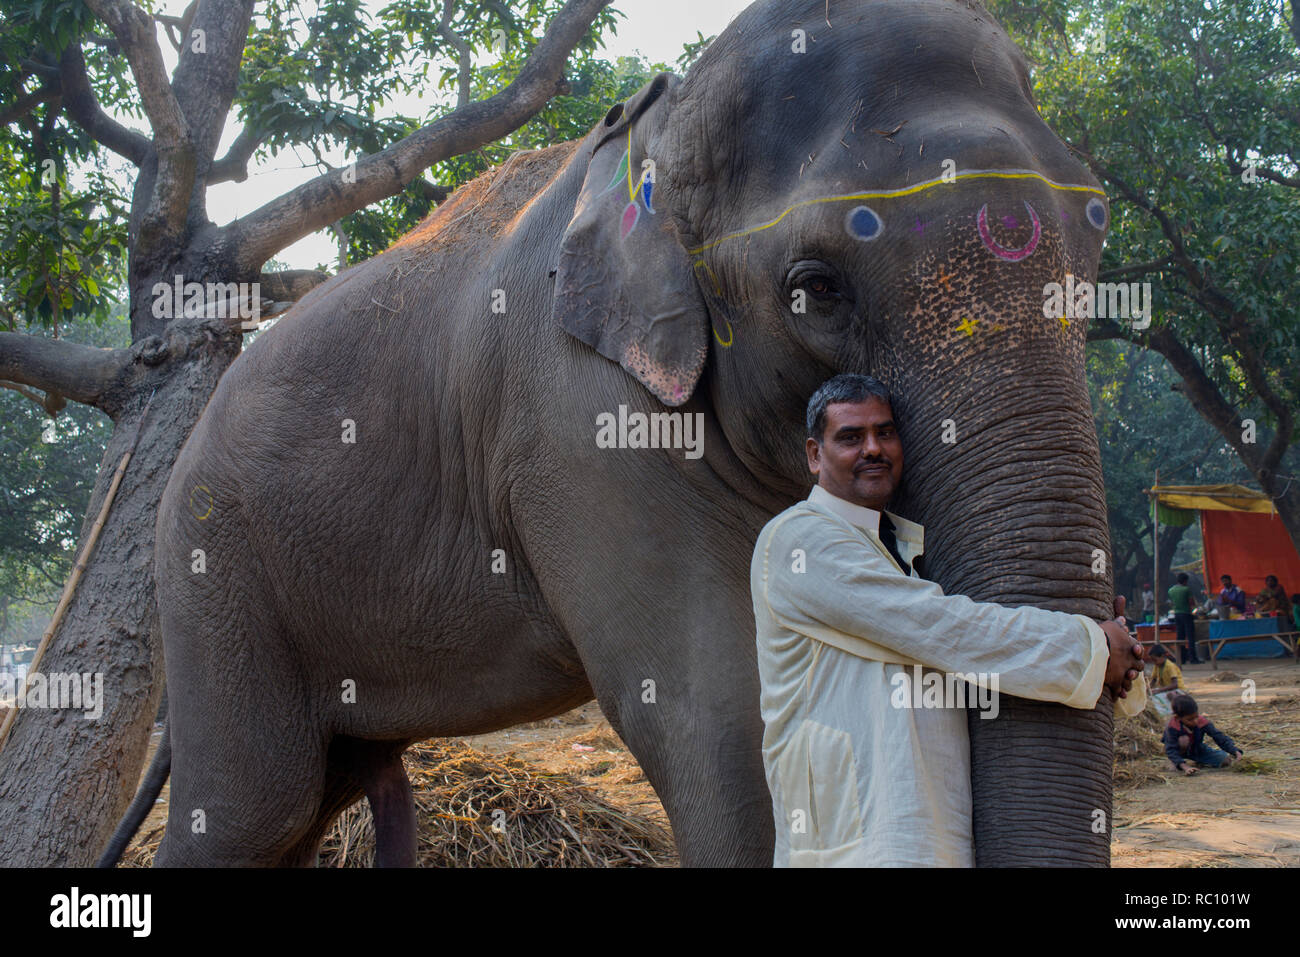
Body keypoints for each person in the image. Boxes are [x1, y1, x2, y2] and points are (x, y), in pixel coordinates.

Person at [751, 373, 1145, 867]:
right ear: (815, 454)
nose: (873, 448)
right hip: (856, 841)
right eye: (851, 437)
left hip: (932, 827)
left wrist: (1118, 658)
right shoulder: (797, 540)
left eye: (885, 432)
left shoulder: (901, 548)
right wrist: (1091, 650)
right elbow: (940, 628)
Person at [1162, 694, 1243, 775]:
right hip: (1177, 752)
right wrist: (1185, 767)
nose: (1195, 721)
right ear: (1178, 718)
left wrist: (1235, 751)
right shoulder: (1172, 727)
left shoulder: (1202, 722)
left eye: (1196, 717)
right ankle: (1177, 762)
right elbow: (1171, 749)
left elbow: (1219, 737)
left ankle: (1198, 761)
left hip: (1197, 749)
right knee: (1182, 742)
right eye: (1190, 719)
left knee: (1226, 760)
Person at [1168, 572, 1200, 665]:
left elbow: (1172, 602)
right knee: (1190, 637)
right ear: (1185, 581)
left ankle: (1182, 658)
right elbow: (1191, 603)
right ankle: (1193, 658)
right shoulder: (1186, 589)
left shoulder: (1171, 590)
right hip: (1186, 614)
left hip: (1177, 614)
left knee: (1180, 636)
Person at [1146, 643, 1184, 716]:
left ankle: (1178, 710)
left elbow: (1175, 685)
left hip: (1177, 690)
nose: (1154, 663)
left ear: (1163, 656)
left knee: (1170, 695)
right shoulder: (1157, 666)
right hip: (1166, 689)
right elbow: (1153, 680)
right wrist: (1148, 689)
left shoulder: (1170, 666)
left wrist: (1159, 690)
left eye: (1155, 660)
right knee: (1151, 695)